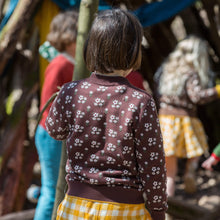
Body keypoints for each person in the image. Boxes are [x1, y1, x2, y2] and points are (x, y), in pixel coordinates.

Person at [45, 9, 167, 220]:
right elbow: (152, 164)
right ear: (133, 52)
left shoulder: (70, 91)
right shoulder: (141, 101)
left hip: (76, 207)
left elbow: (55, 130)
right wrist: (157, 211)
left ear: (90, 47)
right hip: (124, 210)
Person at [154, 35, 220, 197]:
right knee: (196, 151)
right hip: (185, 119)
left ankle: (168, 198)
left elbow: (157, 92)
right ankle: (190, 173)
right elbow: (197, 96)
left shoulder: (167, 70)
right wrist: (217, 90)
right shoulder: (191, 74)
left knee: (169, 165)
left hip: (165, 120)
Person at [34, 10, 78, 220]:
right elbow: (49, 105)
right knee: (51, 192)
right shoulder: (61, 64)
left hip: (56, 134)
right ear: (70, 37)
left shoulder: (71, 62)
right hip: (51, 135)